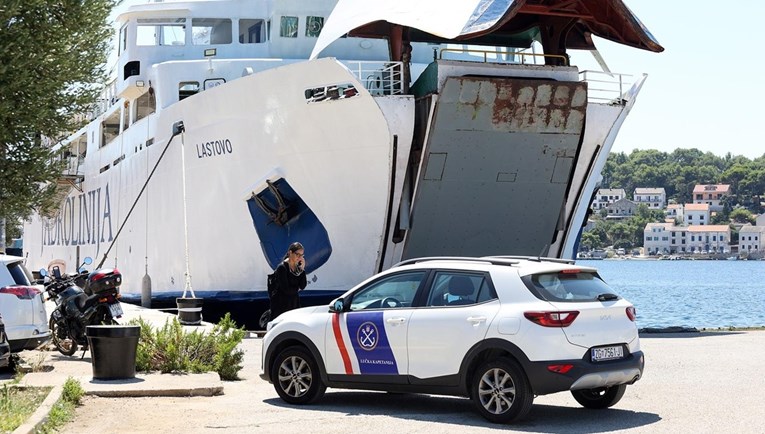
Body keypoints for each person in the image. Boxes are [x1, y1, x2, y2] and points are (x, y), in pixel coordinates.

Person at [268, 242, 307, 319]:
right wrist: (297, 288)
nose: (299, 257)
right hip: (281, 306)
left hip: (294, 304)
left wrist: (302, 269)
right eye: (297, 254)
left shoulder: (298, 268)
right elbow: (286, 290)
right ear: (290, 252)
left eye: (301, 255)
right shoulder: (282, 268)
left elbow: (302, 286)